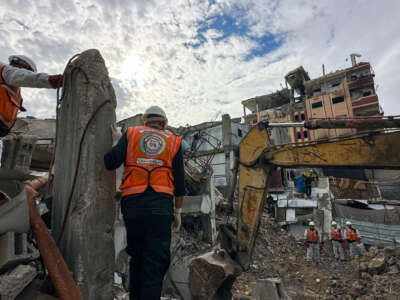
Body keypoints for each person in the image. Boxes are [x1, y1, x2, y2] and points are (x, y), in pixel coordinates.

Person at [104, 106, 185, 300]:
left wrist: (117, 141)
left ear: (145, 121)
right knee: (154, 266)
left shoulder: (131, 134)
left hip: (133, 207)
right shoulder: (173, 141)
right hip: (160, 207)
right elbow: (180, 184)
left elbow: (110, 162)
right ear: (164, 123)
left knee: (138, 259)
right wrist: (178, 212)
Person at [0, 55, 63, 137]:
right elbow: (26, 77)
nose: (28, 73)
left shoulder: (13, 88)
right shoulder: (7, 71)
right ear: (23, 66)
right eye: (28, 71)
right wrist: (52, 80)